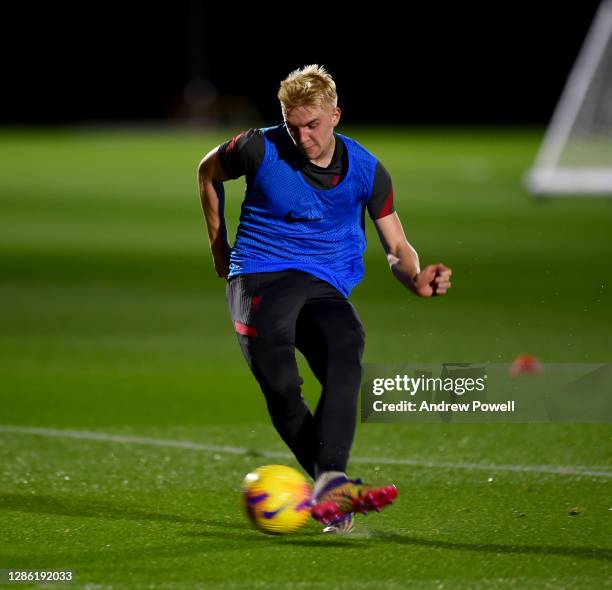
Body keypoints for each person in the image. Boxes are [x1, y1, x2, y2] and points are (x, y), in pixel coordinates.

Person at [197, 65, 452, 533]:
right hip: (258, 276)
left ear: (335, 115)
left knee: (345, 345)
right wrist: (219, 245)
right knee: (281, 386)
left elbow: (396, 246)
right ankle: (331, 485)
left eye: (312, 125)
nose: (303, 137)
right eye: (293, 126)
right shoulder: (258, 146)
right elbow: (207, 171)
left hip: (322, 282)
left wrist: (414, 277)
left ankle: (331, 478)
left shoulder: (367, 169)